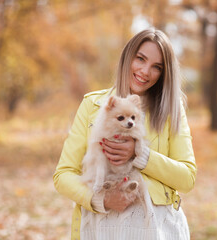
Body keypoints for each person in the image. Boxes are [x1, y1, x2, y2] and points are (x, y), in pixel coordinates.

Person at [53, 28, 197, 240]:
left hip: (155, 228)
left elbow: (187, 178)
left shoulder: (171, 112)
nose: (145, 71)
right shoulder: (93, 105)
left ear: (163, 74)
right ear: (127, 56)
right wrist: (99, 199)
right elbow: (63, 175)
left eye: (156, 67)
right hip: (100, 227)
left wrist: (139, 154)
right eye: (140, 59)